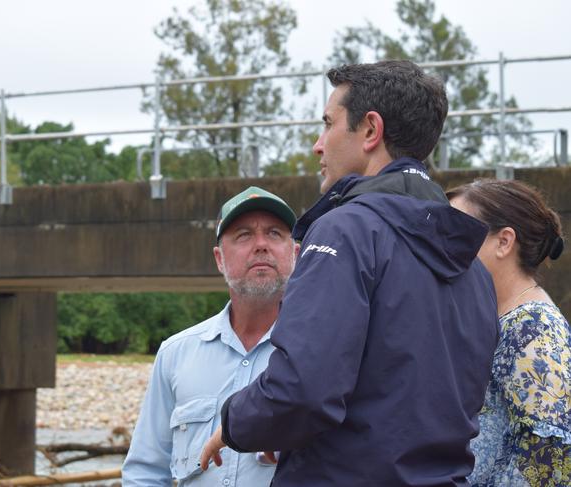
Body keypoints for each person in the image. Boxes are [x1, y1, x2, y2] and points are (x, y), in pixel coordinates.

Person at [200, 60, 499, 486]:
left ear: (370, 131)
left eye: (328, 124)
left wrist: (234, 423)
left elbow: (302, 392)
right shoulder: (473, 262)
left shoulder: (347, 229)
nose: (318, 145)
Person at [121, 186, 299, 486]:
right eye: (243, 235)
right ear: (219, 259)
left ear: (295, 254)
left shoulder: (321, 354)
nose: (261, 245)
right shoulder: (176, 353)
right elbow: (145, 472)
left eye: (274, 233)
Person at [447, 179, 570, 486]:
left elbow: (549, 457)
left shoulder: (533, 328)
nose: (445, 247)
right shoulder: (500, 319)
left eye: (458, 234)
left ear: (504, 241)